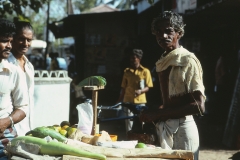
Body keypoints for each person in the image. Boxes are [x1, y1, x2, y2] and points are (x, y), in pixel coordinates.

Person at [139, 11, 205, 160]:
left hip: (184, 130)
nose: (163, 36)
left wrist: (159, 114)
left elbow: (199, 106)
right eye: (159, 32)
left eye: (169, 31)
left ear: (179, 33)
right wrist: (154, 112)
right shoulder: (163, 61)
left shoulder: (187, 60)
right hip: (168, 128)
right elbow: (170, 103)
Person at [0, 19, 28, 159]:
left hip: (4, 138)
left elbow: (23, 107)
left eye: (11, 41)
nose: (9, 46)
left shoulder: (13, 71)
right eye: (5, 41)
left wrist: (6, 122)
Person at [8, 21, 34, 136]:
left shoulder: (29, 66)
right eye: (21, 39)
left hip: (28, 128)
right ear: (12, 39)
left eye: (29, 40)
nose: (25, 43)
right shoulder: (6, 65)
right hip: (10, 130)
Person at [117, 49, 153, 133]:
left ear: (139, 59)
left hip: (140, 101)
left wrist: (141, 91)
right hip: (128, 101)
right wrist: (119, 100)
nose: (132, 60)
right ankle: (129, 138)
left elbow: (148, 87)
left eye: (134, 58)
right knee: (128, 122)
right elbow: (123, 88)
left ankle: (141, 138)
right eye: (131, 58)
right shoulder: (126, 71)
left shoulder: (145, 71)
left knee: (141, 121)